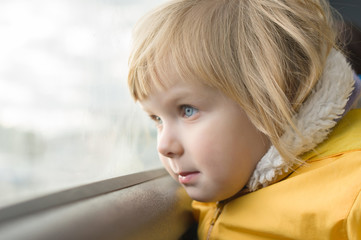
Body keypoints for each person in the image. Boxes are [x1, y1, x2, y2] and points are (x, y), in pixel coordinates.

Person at [127, 0, 361, 239]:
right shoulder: (228, 178)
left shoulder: (352, 193)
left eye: (188, 110)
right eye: (157, 118)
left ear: (271, 96)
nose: (164, 146)